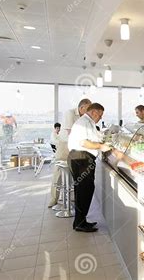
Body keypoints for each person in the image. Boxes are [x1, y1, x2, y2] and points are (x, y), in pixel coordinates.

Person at [67, 103, 111, 232]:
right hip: (81, 158)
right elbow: (84, 142)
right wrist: (101, 147)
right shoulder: (83, 122)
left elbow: (94, 138)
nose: (100, 118)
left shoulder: (88, 122)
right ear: (94, 112)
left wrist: (102, 141)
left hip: (81, 158)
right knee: (84, 191)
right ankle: (80, 223)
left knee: (84, 190)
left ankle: (80, 221)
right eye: (100, 115)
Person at [47, 99, 91, 208]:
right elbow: (70, 132)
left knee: (74, 173)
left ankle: (72, 198)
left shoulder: (85, 117)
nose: (89, 111)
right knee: (58, 174)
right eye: (88, 108)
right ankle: (54, 199)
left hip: (75, 146)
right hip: (64, 145)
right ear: (82, 107)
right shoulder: (70, 113)